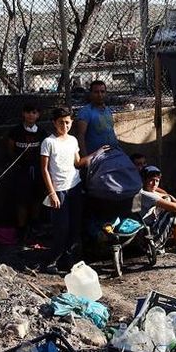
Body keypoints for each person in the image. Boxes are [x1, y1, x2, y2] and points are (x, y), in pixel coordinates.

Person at [40, 107, 108, 272]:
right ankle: (51, 262)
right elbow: (45, 169)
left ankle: (68, 261)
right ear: (54, 123)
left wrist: (96, 154)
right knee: (61, 228)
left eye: (68, 122)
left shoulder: (72, 140)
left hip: (75, 187)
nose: (65, 126)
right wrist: (52, 193)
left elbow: (78, 163)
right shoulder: (48, 142)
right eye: (61, 122)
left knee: (75, 227)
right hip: (59, 191)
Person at [136, 165, 176, 259]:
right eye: (151, 180)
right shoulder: (145, 194)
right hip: (145, 240)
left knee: (168, 201)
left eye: (157, 181)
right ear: (144, 180)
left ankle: (170, 243)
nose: (154, 184)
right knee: (174, 214)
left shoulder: (149, 191)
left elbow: (168, 196)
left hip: (148, 232)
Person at [4, 103, 47, 243]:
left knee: (37, 198)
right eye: (28, 112)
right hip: (21, 171)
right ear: (23, 114)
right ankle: (21, 228)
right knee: (21, 200)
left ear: (38, 115)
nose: (31, 115)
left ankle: (35, 224)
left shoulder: (41, 131)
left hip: (38, 170)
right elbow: (10, 149)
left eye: (34, 112)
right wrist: (16, 164)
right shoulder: (15, 131)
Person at [76, 80, 119, 156]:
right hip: (97, 156)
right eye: (96, 92)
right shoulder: (85, 112)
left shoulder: (108, 110)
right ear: (91, 94)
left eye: (102, 92)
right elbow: (80, 136)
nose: (100, 95)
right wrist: (86, 159)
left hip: (114, 152)